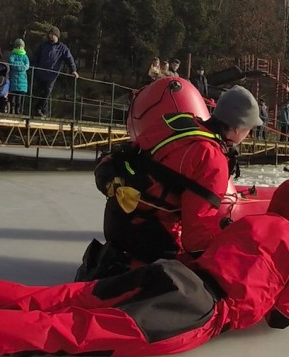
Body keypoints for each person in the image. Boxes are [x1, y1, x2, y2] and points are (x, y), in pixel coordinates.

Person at [0, 179, 289, 357]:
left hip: (170, 274)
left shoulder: (248, 223)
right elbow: (282, 316)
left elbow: (205, 248)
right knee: (65, 331)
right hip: (199, 308)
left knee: (46, 298)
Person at [88, 85, 264, 275]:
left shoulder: (181, 121)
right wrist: (225, 260)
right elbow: (195, 236)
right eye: (250, 129)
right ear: (238, 128)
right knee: (190, 277)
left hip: (118, 216)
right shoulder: (211, 159)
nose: (249, 135)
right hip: (145, 233)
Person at [29, 26, 78, 118]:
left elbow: (69, 59)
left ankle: (40, 109)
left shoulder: (62, 48)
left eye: (53, 35)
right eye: (50, 34)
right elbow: (35, 56)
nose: (51, 36)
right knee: (39, 92)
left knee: (47, 91)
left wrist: (73, 70)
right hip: (40, 73)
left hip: (52, 75)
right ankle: (42, 112)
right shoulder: (43, 45)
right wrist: (33, 66)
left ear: (57, 36)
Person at [8, 38, 30, 115]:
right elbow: (12, 63)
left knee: (20, 96)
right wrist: (21, 65)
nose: (20, 48)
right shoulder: (12, 54)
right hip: (14, 78)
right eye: (19, 46)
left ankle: (18, 109)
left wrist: (18, 65)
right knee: (13, 95)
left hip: (22, 80)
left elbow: (27, 65)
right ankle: (12, 108)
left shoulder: (25, 56)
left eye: (21, 46)